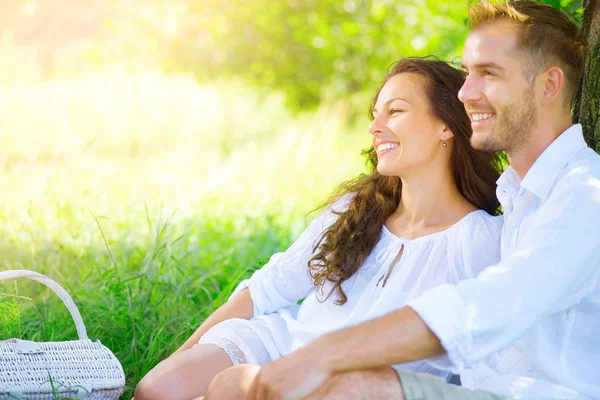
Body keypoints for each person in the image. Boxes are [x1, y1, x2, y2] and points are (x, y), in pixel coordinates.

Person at [210, 2, 599, 400]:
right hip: (480, 387)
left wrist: (324, 354)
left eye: (489, 74)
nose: (465, 93)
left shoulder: (585, 196)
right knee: (233, 385)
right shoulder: (519, 194)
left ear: (549, 85)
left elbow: (490, 304)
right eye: (467, 74)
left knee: (349, 386)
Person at [133, 57, 505, 400]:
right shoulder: (357, 207)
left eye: (395, 112)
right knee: (157, 389)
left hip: (350, 387)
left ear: (445, 125)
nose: (376, 128)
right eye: (376, 114)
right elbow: (267, 289)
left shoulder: (479, 240)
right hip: (282, 346)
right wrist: (183, 353)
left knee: (231, 387)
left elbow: (484, 353)